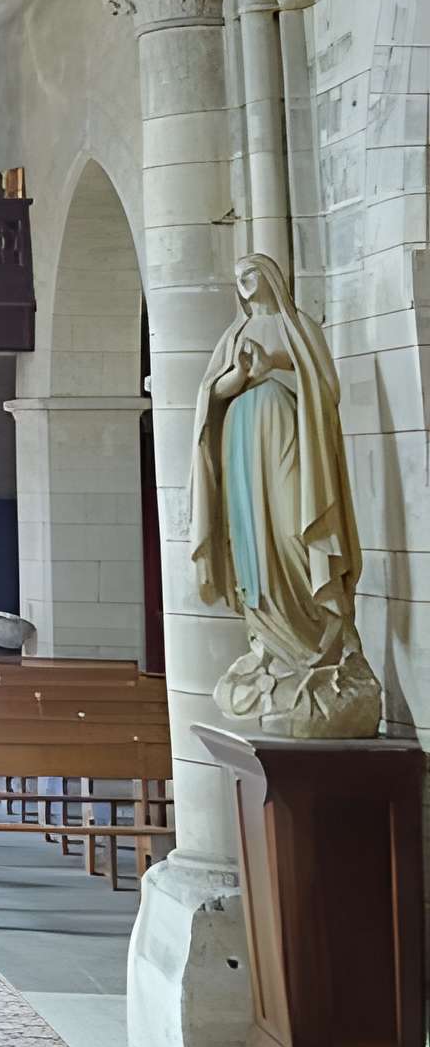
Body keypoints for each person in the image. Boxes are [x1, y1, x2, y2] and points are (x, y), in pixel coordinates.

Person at [188, 252, 379, 736]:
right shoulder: (234, 335)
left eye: (250, 274)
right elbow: (212, 393)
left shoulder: (299, 327)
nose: (243, 284)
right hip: (242, 442)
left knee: (297, 532)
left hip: (288, 435)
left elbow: (327, 388)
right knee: (255, 543)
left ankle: (318, 640)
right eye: (237, 279)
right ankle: (274, 647)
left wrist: (274, 365)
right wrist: (240, 375)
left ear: (269, 277)